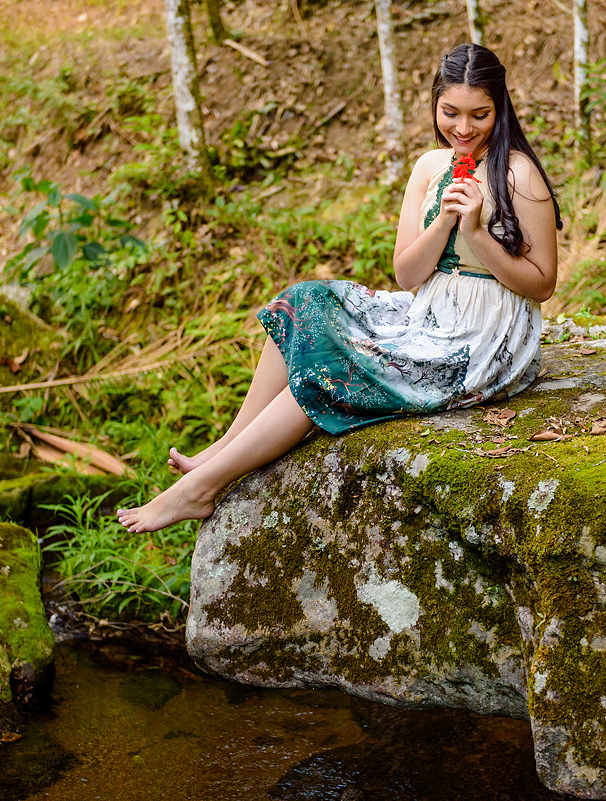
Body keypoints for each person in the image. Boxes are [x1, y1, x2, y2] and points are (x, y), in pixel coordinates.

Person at [117, 43, 562, 534]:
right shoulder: (429, 167)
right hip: (428, 310)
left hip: (482, 338)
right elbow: (406, 275)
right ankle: (225, 446)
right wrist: (443, 224)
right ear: (435, 103)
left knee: (335, 369)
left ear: (500, 109)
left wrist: (476, 233)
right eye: (450, 112)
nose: (463, 128)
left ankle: (201, 489)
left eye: (480, 115)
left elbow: (542, 283)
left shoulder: (520, 174)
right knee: (302, 302)